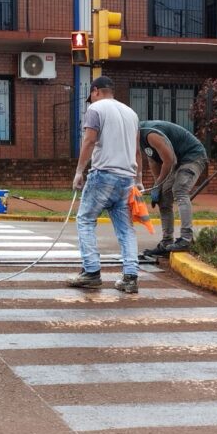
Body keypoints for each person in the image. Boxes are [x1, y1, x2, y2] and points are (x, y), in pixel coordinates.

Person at [67, 75, 142, 294]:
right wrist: (138, 181)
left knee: (85, 219)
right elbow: (137, 151)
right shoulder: (132, 114)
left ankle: (91, 272)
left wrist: (79, 171)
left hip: (103, 175)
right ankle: (130, 277)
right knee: (126, 229)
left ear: (96, 91)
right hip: (127, 178)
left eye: (91, 95)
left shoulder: (96, 109)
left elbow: (89, 141)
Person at [139, 120, 208, 256]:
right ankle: (166, 242)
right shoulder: (140, 138)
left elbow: (170, 160)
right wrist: (157, 186)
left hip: (193, 156)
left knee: (180, 190)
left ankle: (186, 239)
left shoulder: (150, 134)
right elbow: (153, 161)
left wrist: (159, 182)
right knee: (163, 198)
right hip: (177, 161)